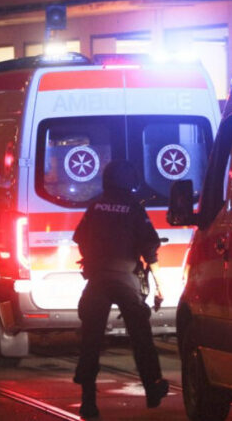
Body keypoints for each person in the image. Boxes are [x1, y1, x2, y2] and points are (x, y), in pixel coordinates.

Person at [72, 160, 168, 418]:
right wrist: (160, 285)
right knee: (141, 336)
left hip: (97, 280)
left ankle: (88, 401)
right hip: (126, 279)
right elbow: (150, 249)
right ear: (129, 182)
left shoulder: (95, 206)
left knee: (90, 340)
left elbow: (80, 238)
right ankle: (152, 388)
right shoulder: (134, 208)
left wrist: (93, 261)